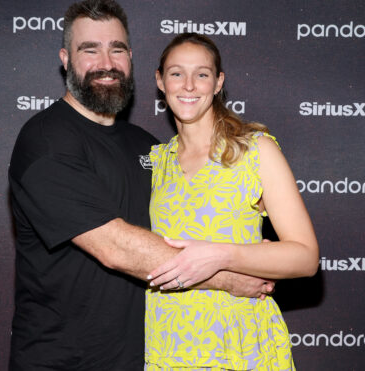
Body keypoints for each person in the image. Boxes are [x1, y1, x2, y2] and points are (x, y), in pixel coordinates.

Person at [8, 1, 275, 370]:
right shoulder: (46, 140)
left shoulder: (149, 147)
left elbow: (188, 217)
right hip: (65, 360)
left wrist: (249, 245)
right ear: (65, 59)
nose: (106, 62)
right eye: (90, 49)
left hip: (149, 355)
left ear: (130, 58)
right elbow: (116, 247)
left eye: (116, 49)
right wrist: (229, 276)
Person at [144, 33, 319, 370]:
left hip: (240, 343)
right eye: (177, 73)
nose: (190, 85)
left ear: (218, 81)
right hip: (167, 345)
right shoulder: (155, 162)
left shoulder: (256, 151)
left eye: (203, 74)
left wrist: (223, 254)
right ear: (160, 81)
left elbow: (306, 257)